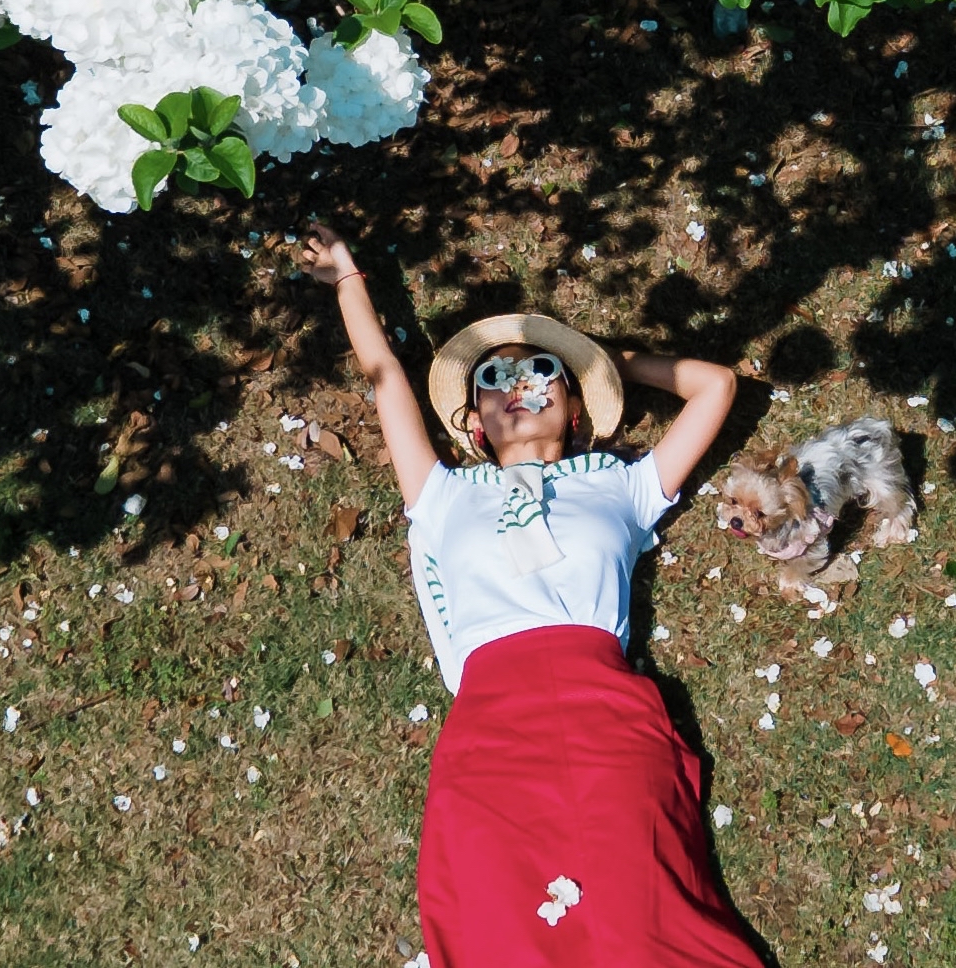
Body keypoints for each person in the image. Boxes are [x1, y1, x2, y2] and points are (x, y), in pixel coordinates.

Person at [298, 221, 763, 968]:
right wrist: (348, 279)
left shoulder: (623, 484)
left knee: (642, 911)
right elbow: (382, 371)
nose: (517, 388)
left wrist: (609, 362)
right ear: (474, 426)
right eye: (494, 382)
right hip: (489, 735)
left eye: (541, 373)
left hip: (606, 721)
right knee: (496, 922)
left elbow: (717, 387)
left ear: (575, 410)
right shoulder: (441, 493)